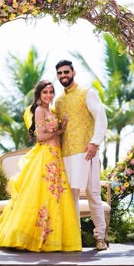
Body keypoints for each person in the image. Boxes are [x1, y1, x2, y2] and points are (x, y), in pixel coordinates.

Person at [0, 80, 82, 252]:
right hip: (46, 156)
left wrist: (62, 127)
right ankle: (36, 238)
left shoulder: (50, 110)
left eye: (51, 92)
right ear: (39, 95)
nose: (49, 95)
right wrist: (60, 131)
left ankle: (53, 239)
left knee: (55, 196)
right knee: (45, 195)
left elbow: (51, 133)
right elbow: (40, 136)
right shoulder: (40, 110)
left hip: (56, 156)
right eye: (45, 92)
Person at [54, 60, 108, 251]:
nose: (63, 76)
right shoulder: (58, 101)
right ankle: (74, 238)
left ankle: (100, 237)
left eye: (66, 72)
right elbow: (57, 127)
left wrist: (94, 142)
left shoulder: (87, 92)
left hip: (87, 152)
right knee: (71, 198)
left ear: (73, 72)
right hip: (67, 155)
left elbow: (100, 117)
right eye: (59, 73)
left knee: (93, 194)